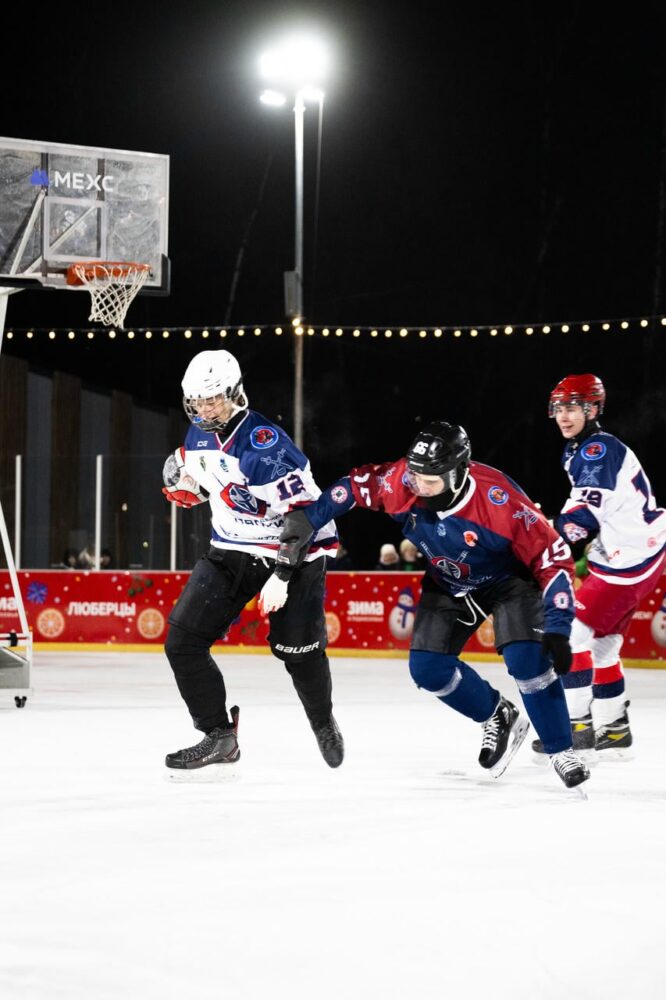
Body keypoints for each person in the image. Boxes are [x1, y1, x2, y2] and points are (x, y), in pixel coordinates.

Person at [260, 420, 590, 790]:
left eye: (430, 480)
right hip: (448, 581)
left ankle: (562, 750)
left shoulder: (502, 503)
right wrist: (309, 517)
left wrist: (559, 627)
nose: (417, 486)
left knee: (526, 660)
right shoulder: (403, 481)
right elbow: (354, 487)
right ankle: (497, 713)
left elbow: (554, 558)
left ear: (460, 472)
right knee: (427, 670)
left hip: (509, 581)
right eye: (415, 476)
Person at [161, 349, 344, 773]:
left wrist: (282, 574)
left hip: (294, 550)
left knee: (296, 652)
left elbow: (302, 516)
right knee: (182, 642)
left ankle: (323, 723)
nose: (205, 410)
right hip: (232, 547)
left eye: (213, 400)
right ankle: (219, 737)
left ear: (236, 393)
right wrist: (189, 484)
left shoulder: (266, 445)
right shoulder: (197, 432)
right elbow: (210, 477)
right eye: (197, 402)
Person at [532, 374, 666, 760]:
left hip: (626, 560)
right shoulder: (586, 448)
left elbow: (585, 514)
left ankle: (576, 731)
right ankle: (615, 729)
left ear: (593, 409)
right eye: (558, 408)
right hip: (641, 553)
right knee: (603, 645)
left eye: (573, 407)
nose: (564, 415)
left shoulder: (594, 451)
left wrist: (549, 536)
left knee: (571, 636)